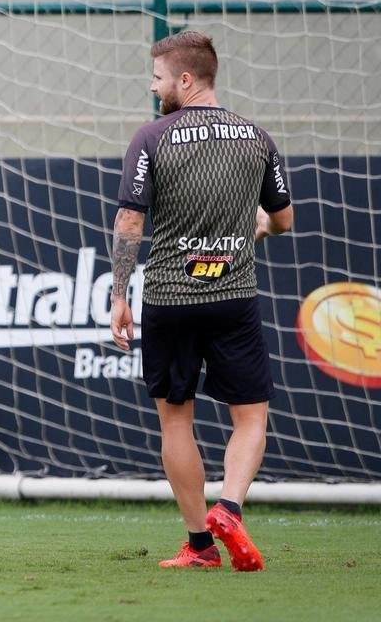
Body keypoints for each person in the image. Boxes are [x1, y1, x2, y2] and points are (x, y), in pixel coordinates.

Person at [109, 30, 293, 572]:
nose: (153, 85)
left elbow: (129, 221)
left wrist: (120, 295)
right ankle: (230, 507)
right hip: (233, 296)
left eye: (158, 77)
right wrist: (256, 229)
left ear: (185, 80)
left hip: (169, 298)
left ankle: (199, 545)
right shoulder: (255, 137)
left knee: (175, 423)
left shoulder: (152, 137)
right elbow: (283, 219)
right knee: (250, 417)